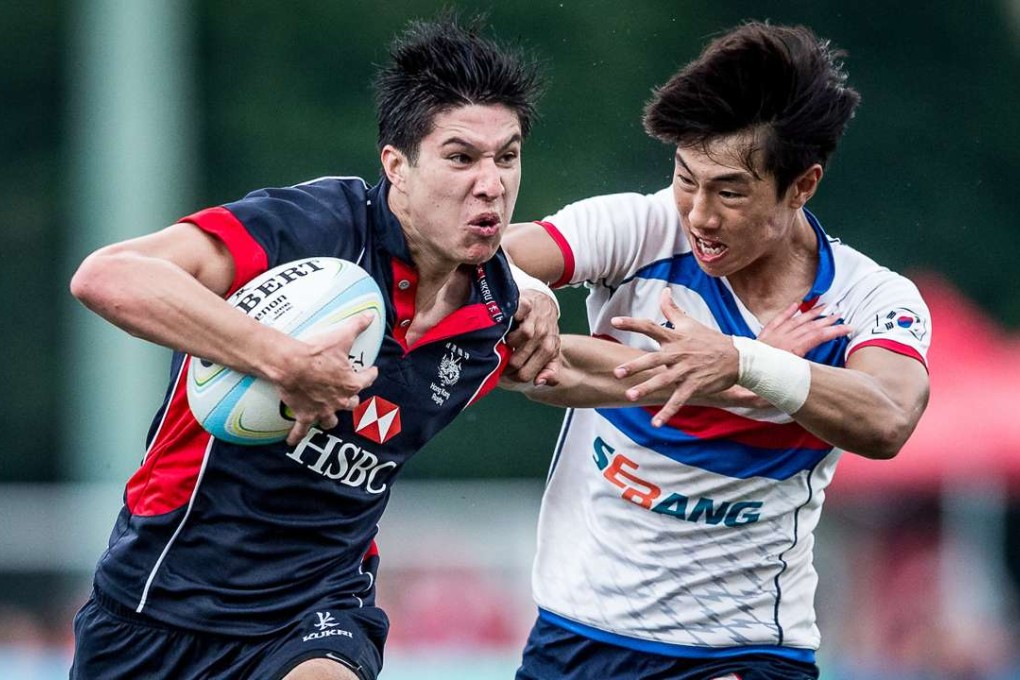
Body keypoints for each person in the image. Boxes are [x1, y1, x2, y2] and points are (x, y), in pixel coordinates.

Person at [67, 15, 555, 680]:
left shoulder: (497, 313)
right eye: (461, 158)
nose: (491, 183)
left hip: (320, 606)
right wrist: (280, 359)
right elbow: (107, 276)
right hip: (160, 602)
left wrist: (739, 370)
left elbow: (583, 369)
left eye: (508, 156)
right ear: (397, 166)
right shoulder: (314, 228)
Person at [504, 21, 932, 680]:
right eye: (686, 179)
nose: (699, 214)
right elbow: (490, 265)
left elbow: (888, 418)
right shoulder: (642, 229)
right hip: (578, 635)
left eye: (729, 190)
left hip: (744, 649)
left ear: (802, 186)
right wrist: (525, 290)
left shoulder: (869, 297)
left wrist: (744, 363)